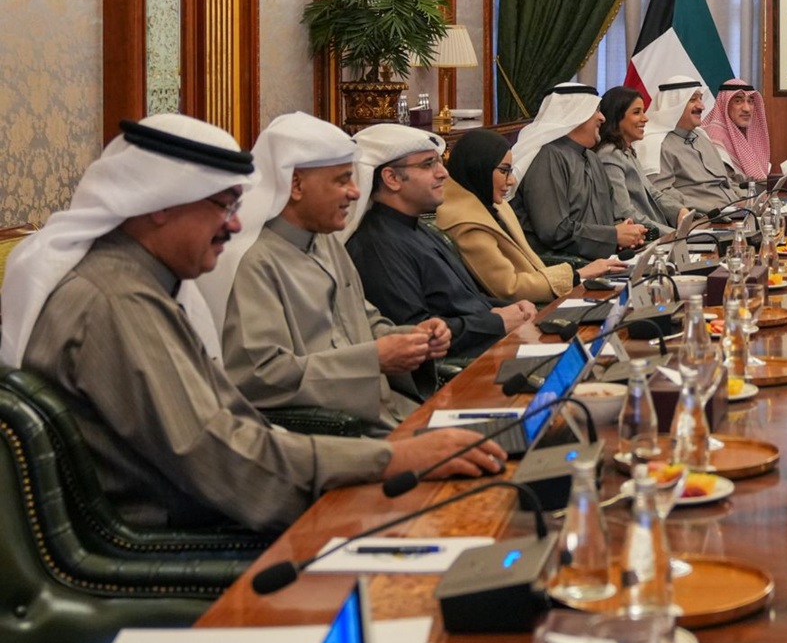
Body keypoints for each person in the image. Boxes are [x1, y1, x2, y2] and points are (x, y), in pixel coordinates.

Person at [0, 115, 500, 532]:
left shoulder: (139, 282)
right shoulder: (117, 301)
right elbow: (221, 455)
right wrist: (392, 460)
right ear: (157, 208)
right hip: (180, 533)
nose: (235, 224)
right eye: (221, 205)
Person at [201, 113, 449, 431]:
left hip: (392, 412)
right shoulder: (253, 262)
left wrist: (413, 340)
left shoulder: (328, 242)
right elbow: (260, 375)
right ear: (297, 184)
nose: (356, 193)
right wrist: (374, 358)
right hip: (339, 434)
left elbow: (366, 323)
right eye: (342, 180)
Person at [345, 125, 537, 358]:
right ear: (392, 178)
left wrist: (510, 308)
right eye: (428, 164)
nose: (443, 173)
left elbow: (464, 300)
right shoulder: (377, 247)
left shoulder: (418, 229)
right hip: (465, 370)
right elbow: (416, 333)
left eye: (439, 162)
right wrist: (496, 322)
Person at [438, 128, 624, 305]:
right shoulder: (467, 224)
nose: (511, 181)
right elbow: (509, 288)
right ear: (479, 168)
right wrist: (579, 274)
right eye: (504, 171)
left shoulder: (492, 204)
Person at [513, 82, 648, 262]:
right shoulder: (548, 157)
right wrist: (612, 235)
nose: (602, 118)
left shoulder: (592, 158)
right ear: (575, 115)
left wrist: (625, 233)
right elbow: (553, 231)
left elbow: (605, 219)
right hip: (562, 265)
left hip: (603, 260)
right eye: (595, 111)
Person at [643, 76, 747, 213]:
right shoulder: (656, 143)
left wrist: (747, 200)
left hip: (733, 212)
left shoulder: (701, 136)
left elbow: (727, 182)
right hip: (704, 220)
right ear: (674, 106)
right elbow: (663, 193)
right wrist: (713, 209)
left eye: (700, 99)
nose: (701, 106)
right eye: (692, 100)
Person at [597, 85, 689, 237]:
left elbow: (653, 193)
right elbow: (624, 213)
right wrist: (673, 235)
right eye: (636, 112)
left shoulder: (626, 150)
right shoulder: (609, 155)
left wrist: (680, 211)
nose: (645, 118)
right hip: (642, 239)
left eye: (643, 112)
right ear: (617, 117)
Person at [698, 79, 771, 183]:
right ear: (725, 105)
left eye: (750, 101)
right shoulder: (713, 136)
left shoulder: (744, 133)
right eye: (738, 101)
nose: (747, 108)